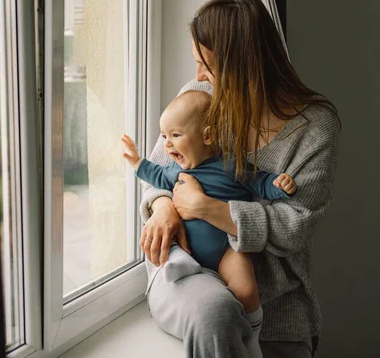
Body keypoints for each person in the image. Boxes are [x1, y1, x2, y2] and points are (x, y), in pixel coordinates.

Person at [140, 0, 340, 358]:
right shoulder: (199, 98)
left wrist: (205, 207)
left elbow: (293, 226)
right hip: (191, 272)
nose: (198, 75)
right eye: (197, 63)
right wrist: (166, 206)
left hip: (277, 304)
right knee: (214, 315)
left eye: (208, 66)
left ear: (243, 65)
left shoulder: (314, 128)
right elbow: (158, 174)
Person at [121, 90, 297, 357]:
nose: (167, 145)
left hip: (227, 248)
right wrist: (136, 162)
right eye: (164, 137)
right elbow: (155, 175)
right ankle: (179, 268)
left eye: (175, 136)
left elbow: (260, 181)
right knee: (173, 254)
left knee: (246, 289)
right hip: (187, 248)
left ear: (207, 135)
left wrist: (279, 184)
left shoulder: (232, 165)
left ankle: (251, 341)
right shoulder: (176, 170)